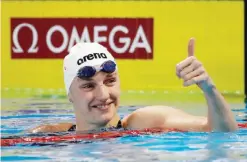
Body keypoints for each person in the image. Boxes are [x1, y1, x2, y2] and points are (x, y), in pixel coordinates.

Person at [30, 38, 238, 133]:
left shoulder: (145, 121)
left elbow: (223, 132)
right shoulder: (47, 136)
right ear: (69, 94)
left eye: (110, 81)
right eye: (88, 86)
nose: (103, 95)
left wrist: (209, 89)